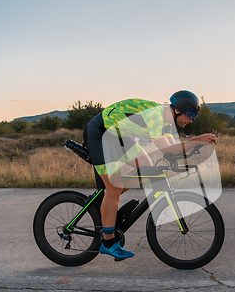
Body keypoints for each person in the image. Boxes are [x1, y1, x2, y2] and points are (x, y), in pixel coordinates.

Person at [83, 90, 217, 260]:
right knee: (114, 187)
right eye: (190, 113)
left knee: (146, 167)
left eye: (194, 116)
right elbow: (167, 149)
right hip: (100, 134)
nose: (191, 119)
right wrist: (198, 139)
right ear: (177, 110)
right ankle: (108, 243)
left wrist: (193, 152)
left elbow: (172, 151)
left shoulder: (167, 123)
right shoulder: (156, 115)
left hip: (118, 136)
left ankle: (107, 201)